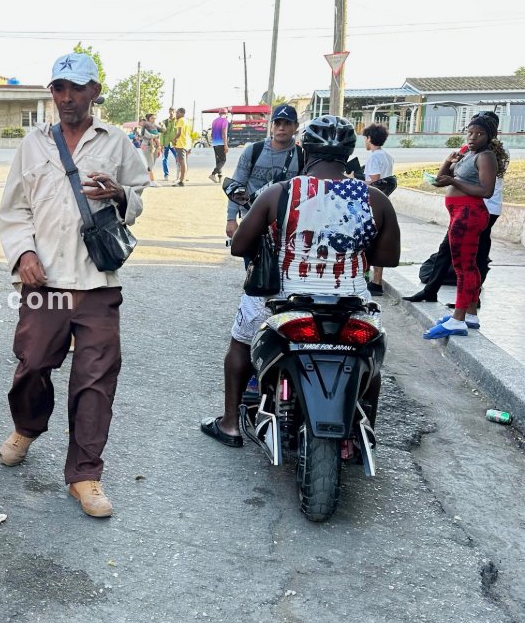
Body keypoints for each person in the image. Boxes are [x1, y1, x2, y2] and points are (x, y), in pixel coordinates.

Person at [0, 52, 149, 518]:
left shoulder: (117, 142)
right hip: (46, 282)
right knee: (31, 364)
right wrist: (23, 253)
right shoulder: (34, 144)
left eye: (77, 89)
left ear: (94, 93)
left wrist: (120, 194)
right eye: (59, 88)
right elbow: (15, 208)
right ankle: (26, 426)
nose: (67, 98)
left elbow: (140, 196)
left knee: (96, 380)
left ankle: (84, 474)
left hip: (97, 282)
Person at [200, 115, 401, 446]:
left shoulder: (278, 194)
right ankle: (362, 433)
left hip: (282, 301)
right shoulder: (374, 199)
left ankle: (231, 424)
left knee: (240, 343)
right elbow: (387, 259)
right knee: (370, 362)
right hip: (350, 306)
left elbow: (239, 248)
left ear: (304, 151)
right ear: (350, 153)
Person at [406, 112, 508, 318]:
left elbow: (486, 190)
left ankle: (459, 316)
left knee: (466, 265)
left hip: (472, 212)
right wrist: (448, 161)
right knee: (461, 261)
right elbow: (439, 179)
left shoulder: (487, 155)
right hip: (460, 213)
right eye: (470, 132)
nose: (472, 137)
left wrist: (453, 182)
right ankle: (466, 309)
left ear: (489, 135)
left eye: (479, 134)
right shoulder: (468, 153)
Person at [224, 104, 303, 242]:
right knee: (252, 263)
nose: (281, 128)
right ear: (271, 126)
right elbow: (237, 184)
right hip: (252, 220)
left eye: (287, 123)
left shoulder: (302, 156)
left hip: (286, 226)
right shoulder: (253, 151)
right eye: (277, 123)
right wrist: (231, 219)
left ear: (295, 126)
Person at [361, 124, 396, 296]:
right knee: (380, 241)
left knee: (368, 241)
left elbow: (374, 182)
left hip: (372, 203)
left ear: (369, 138)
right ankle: (377, 281)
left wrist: (355, 181)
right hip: (385, 202)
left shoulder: (374, 157)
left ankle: (368, 278)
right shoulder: (388, 156)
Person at [172, 107, 193, 186]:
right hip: (186, 143)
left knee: (182, 162)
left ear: (181, 113)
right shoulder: (187, 121)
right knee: (183, 162)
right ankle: (182, 179)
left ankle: (181, 181)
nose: (176, 114)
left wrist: (174, 139)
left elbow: (179, 133)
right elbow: (189, 133)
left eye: (177, 113)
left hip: (181, 144)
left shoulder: (181, 120)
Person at [209, 108, 231, 182]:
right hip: (221, 143)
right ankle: (213, 174)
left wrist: (213, 141)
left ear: (219, 113)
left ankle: (220, 177)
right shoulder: (225, 121)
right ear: (226, 114)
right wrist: (226, 145)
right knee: (223, 160)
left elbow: (211, 134)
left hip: (215, 143)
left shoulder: (214, 121)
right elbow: (224, 133)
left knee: (218, 161)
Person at [160, 107, 178, 180]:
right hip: (166, 143)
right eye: (170, 111)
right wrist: (161, 144)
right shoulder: (165, 122)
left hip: (175, 144)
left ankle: (179, 174)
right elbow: (162, 134)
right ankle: (166, 175)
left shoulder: (177, 121)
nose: (171, 113)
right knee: (164, 159)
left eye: (173, 111)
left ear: (175, 112)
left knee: (178, 159)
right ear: (168, 112)